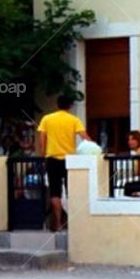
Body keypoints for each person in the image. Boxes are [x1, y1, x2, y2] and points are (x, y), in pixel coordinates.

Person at [37, 95, 91, 231]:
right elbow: (85, 137)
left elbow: (42, 139)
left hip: (52, 159)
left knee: (55, 193)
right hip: (69, 160)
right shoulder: (74, 120)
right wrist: (94, 148)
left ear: (57, 105)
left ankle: (58, 222)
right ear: (70, 106)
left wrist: (43, 154)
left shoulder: (47, 119)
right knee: (71, 191)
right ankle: (73, 222)